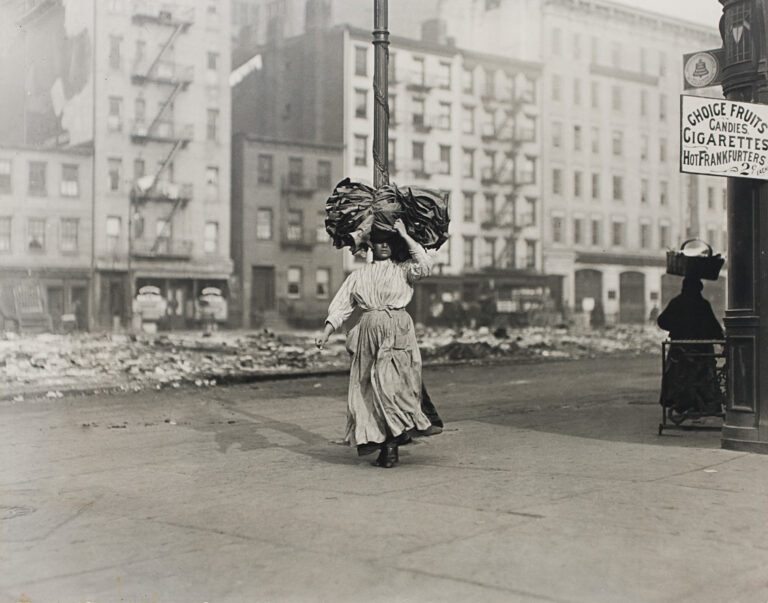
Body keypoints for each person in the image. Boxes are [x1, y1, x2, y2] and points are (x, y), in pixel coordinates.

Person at [316, 219, 439, 468]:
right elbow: (341, 306)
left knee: (393, 388)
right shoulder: (359, 276)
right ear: (371, 245)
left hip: (398, 331)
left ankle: (392, 443)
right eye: (378, 242)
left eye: (388, 242)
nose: (383, 246)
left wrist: (404, 235)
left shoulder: (403, 270)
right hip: (369, 332)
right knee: (369, 390)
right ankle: (386, 443)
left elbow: (425, 266)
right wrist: (326, 332)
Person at [657, 277, 725, 420]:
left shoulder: (677, 302)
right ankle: (698, 405)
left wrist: (677, 327)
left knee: (679, 377)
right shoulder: (703, 304)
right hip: (701, 348)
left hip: (680, 348)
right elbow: (713, 326)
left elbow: (662, 321)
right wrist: (721, 341)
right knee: (702, 376)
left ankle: (680, 404)